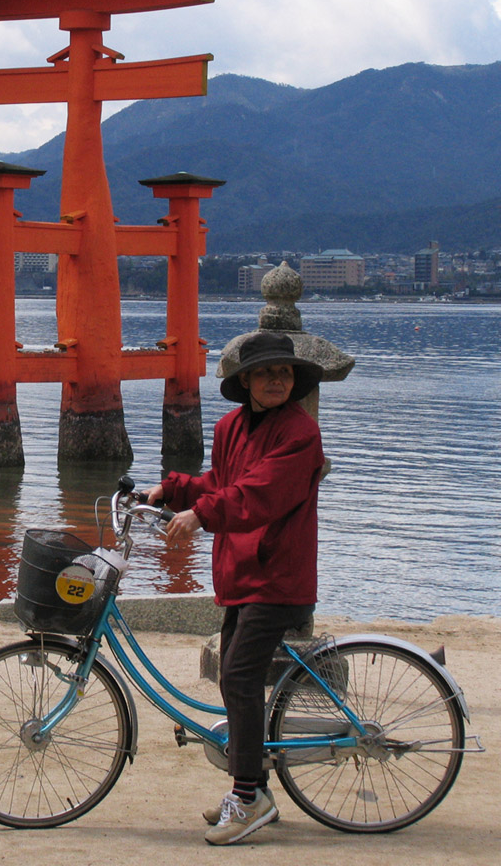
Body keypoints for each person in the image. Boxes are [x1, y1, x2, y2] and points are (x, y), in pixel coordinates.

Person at [143, 331, 324, 846]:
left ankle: (249, 797)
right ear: (245, 381)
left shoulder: (300, 434)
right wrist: (174, 488)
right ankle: (251, 790)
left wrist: (200, 515)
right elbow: (222, 482)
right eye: (265, 373)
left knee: (240, 677)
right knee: (232, 676)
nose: (275, 381)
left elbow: (259, 494)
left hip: (277, 574)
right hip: (242, 573)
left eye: (284, 373)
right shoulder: (230, 427)